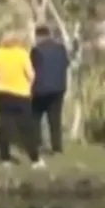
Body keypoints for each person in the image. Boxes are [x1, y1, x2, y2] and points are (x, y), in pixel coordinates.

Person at [0, 31, 43, 169]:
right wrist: (29, 88)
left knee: (4, 126)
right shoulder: (22, 54)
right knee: (27, 128)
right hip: (21, 94)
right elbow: (31, 75)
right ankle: (35, 159)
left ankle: (5, 159)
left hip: (2, 93)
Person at [31, 25, 70, 156]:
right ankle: (57, 148)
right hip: (59, 88)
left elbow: (32, 69)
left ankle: (37, 144)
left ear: (38, 36)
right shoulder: (61, 49)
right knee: (55, 119)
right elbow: (66, 64)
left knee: (35, 117)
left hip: (41, 89)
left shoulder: (36, 50)